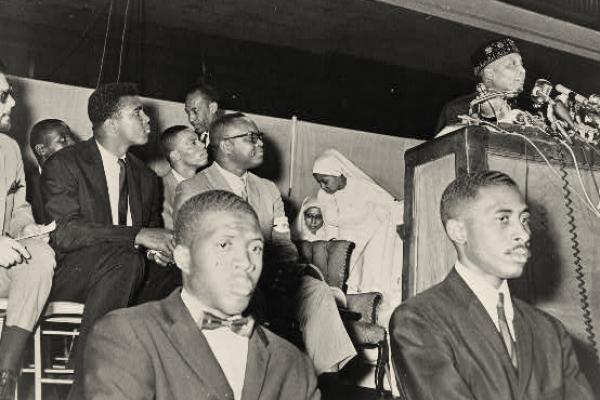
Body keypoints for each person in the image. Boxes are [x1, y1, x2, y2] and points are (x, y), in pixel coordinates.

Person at [84, 190, 321, 400]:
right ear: (183, 258)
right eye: (225, 245)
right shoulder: (129, 335)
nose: (246, 262)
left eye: (255, 248)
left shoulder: (293, 363)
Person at [174, 113, 356, 374]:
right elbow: (191, 249)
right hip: (223, 282)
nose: (260, 143)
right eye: (251, 138)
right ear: (226, 145)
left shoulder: (268, 189)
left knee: (317, 292)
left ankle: (318, 379)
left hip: (270, 277)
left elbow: (282, 242)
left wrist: (284, 269)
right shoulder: (194, 188)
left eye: (259, 137)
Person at [389, 170, 594, 399]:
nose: (524, 235)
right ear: (459, 231)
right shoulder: (418, 320)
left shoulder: (550, 331)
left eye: (524, 220)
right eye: (503, 219)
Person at [41, 82, 178, 399]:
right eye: (138, 112)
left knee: (186, 279)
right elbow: (66, 233)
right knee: (125, 259)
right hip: (75, 274)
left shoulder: (146, 178)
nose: (148, 120)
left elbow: (153, 235)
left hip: (132, 271)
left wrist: (163, 254)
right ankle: (88, 390)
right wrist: (137, 236)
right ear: (111, 122)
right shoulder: (65, 164)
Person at [0, 60, 55, 400]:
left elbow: (18, 208)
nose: (13, 103)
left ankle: (5, 374)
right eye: (3, 96)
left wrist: (28, 227)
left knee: (40, 256)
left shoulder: (8, 149)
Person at [312, 148, 403, 326]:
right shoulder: (323, 195)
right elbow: (331, 222)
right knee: (347, 281)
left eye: (325, 181)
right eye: (319, 183)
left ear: (338, 173)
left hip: (371, 241)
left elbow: (392, 206)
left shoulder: (363, 187)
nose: (323, 186)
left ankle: (372, 314)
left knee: (371, 279)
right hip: (345, 244)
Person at [435, 37, 526, 137]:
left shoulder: (520, 114)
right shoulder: (458, 108)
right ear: (489, 75)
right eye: (511, 65)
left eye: (521, 64)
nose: (522, 70)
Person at [27, 119, 77, 223]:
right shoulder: (26, 187)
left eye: (71, 137)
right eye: (63, 140)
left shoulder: (83, 177)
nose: (73, 143)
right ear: (41, 150)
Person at [159, 125, 209, 230]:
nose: (203, 145)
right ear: (175, 155)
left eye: (200, 140)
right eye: (193, 143)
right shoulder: (159, 193)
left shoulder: (210, 180)